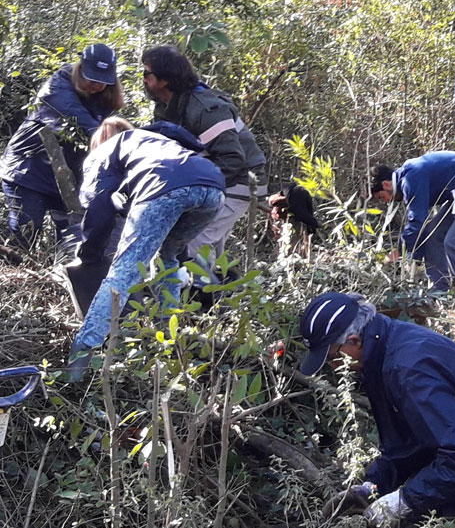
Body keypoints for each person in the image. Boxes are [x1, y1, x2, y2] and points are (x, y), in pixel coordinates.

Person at [299, 290, 455, 528]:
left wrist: (406, 500)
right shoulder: (381, 352)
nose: (334, 368)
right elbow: (407, 443)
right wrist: (373, 485)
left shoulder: (412, 369)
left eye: (333, 358)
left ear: (354, 341)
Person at [67, 118, 225, 380]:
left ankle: (80, 357)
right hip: (213, 187)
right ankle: (169, 341)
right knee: (169, 257)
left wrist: (89, 254)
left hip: (164, 185)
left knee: (123, 272)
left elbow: (99, 207)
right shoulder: (153, 141)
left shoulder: (104, 153)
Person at [141, 44, 267, 268]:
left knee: (194, 242)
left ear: (165, 79)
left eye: (147, 74)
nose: (143, 80)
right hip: (217, 181)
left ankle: (201, 299)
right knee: (207, 250)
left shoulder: (205, 108)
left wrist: (196, 190)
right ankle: (219, 292)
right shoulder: (167, 107)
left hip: (239, 183)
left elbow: (232, 159)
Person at [0, 44, 122, 251]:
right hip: (28, 171)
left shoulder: (105, 98)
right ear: (80, 68)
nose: (95, 85)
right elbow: (81, 121)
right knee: (25, 232)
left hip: (65, 178)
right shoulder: (57, 86)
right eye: (91, 78)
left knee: (71, 237)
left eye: (102, 81)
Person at [370, 151, 455, 293]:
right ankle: (440, 291)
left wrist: (401, 251)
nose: (387, 202)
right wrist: (412, 255)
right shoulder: (409, 174)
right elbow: (420, 226)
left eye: (382, 197)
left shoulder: (411, 178)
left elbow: (417, 221)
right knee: (433, 236)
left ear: (386, 184)